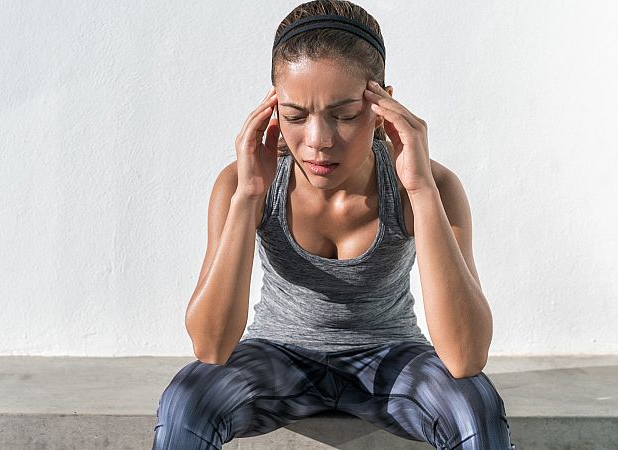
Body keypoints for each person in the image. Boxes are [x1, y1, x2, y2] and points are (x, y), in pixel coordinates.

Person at [152, 1, 516, 449]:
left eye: (344, 115)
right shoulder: (241, 183)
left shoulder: (430, 184)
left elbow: (464, 357)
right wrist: (248, 197)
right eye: (296, 115)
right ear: (272, 110)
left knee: (472, 401)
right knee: (186, 398)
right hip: (276, 357)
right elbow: (210, 347)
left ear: (383, 105)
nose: (318, 142)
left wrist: (421, 190)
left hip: (392, 360)